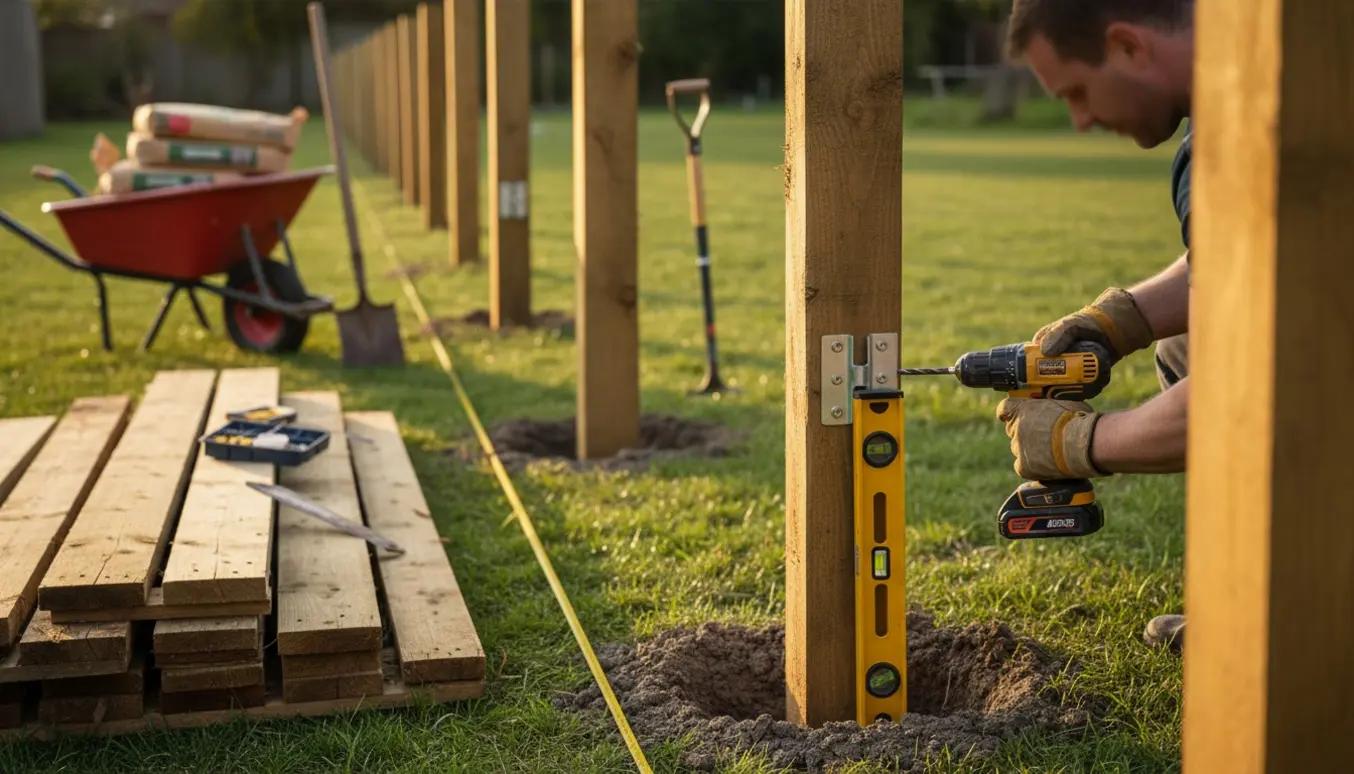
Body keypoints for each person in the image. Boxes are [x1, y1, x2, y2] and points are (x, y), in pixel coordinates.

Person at [998, 0, 1195, 654]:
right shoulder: (1272, 87)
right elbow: (1246, 274)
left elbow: (1258, 393)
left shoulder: (1250, 142)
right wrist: (1118, 321)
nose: (1080, 121)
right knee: (1180, 339)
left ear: (1129, 47)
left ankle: (1292, 616)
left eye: (1077, 92)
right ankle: (1254, 594)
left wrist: (1083, 443)